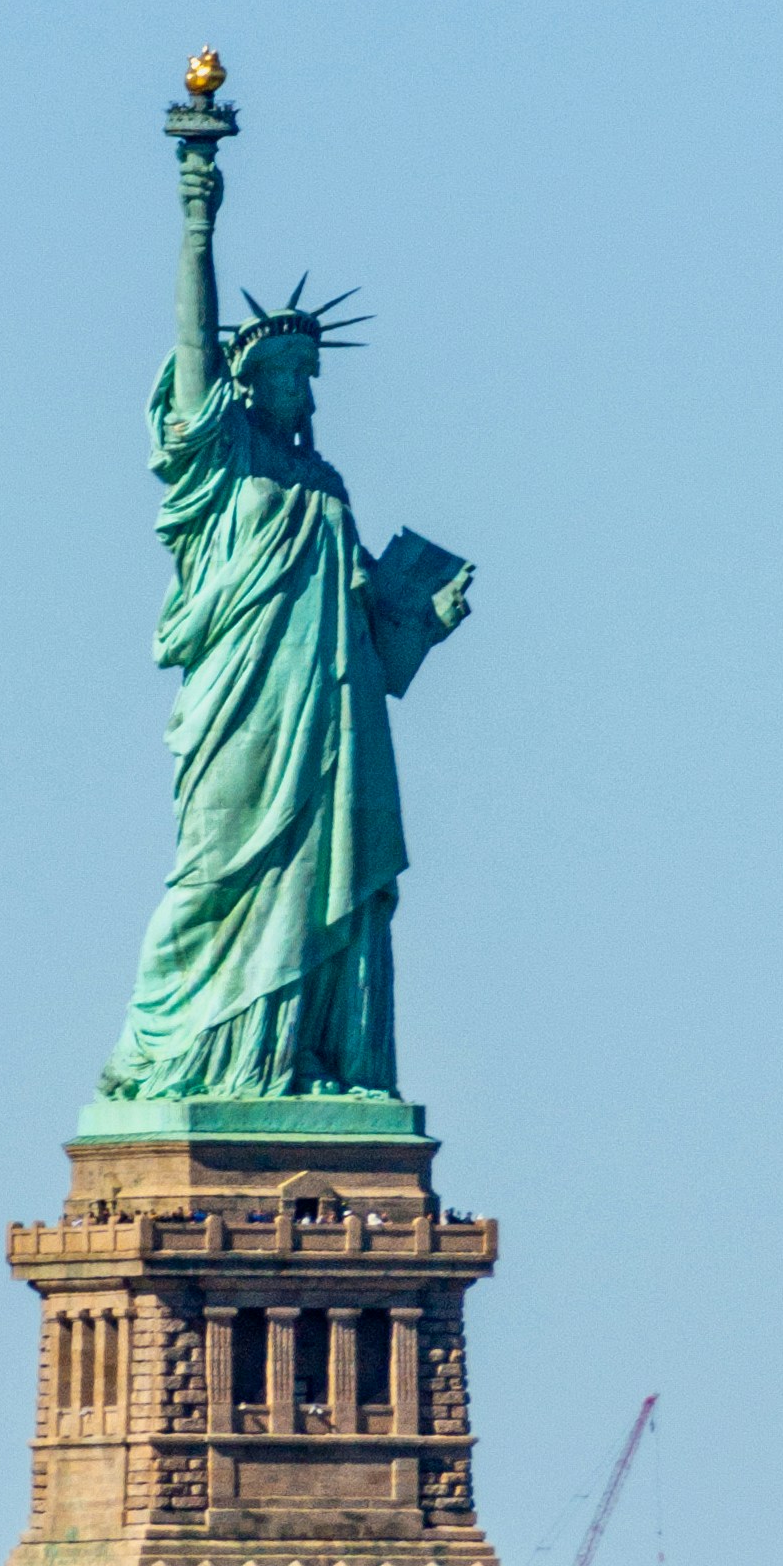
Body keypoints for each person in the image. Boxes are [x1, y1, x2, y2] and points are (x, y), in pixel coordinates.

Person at [97, 100, 473, 1101]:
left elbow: (377, 662)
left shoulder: (328, 490)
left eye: (312, 371)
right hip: (242, 709)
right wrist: (195, 214)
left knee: (325, 888)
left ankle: (301, 1060)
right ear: (244, 382)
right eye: (284, 369)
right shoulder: (216, 468)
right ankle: (178, 1056)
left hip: (331, 721)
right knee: (215, 868)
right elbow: (190, 351)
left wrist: (417, 622)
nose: (303, 386)